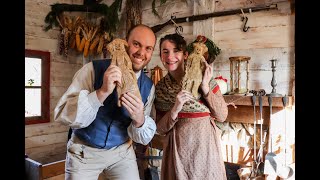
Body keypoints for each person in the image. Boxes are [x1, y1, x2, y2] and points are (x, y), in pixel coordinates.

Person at [54, 24, 157, 180]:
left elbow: (141, 136)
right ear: (124, 43)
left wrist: (140, 120)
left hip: (122, 153)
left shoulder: (148, 87)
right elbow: (63, 114)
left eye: (148, 48)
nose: (141, 53)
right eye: (136, 44)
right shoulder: (92, 70)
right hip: (84, 152)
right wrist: (101, 92)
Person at [154, 33, 228, 180]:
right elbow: (160, 129)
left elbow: (222, 115)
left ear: (185, 54)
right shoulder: (161, 87)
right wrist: (175, 108)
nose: (170, 56)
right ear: (161, 56)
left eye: (176, 51)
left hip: (205, 149)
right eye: (165, 52)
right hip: (177, 152)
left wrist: (205, 88)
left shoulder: (204, 78)